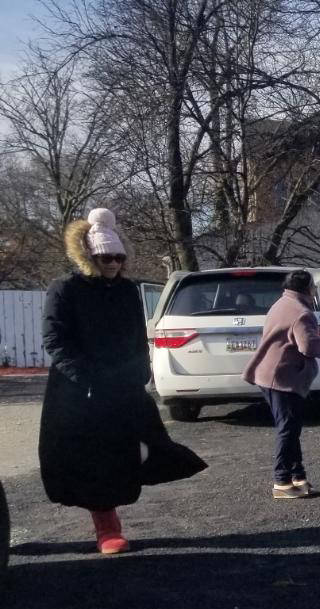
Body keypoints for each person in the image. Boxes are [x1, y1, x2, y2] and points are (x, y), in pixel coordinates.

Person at [39, 208, 207, 554]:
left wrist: (141, 371)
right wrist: (86, 378)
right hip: (80, 390)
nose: (114, 264)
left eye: (119, 257)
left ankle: (112, 511)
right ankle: (107, 525)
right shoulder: (65, 289)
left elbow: (136, 336)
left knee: (138, 448)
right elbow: (55, 340)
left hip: (123, 384)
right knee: (91, 457)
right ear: (88, 256)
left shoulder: (128, 290)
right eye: (106, 257)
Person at [243, 269, 320, 499]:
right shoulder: (301, 313)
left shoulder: (281, 303)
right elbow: (308, 346)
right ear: (307, 289)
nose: (315, 291)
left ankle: (297, 476)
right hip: (282, 377)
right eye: (313, 287)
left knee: (291, 427)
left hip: (270, 374)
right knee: (288, 429)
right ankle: (281, 481)